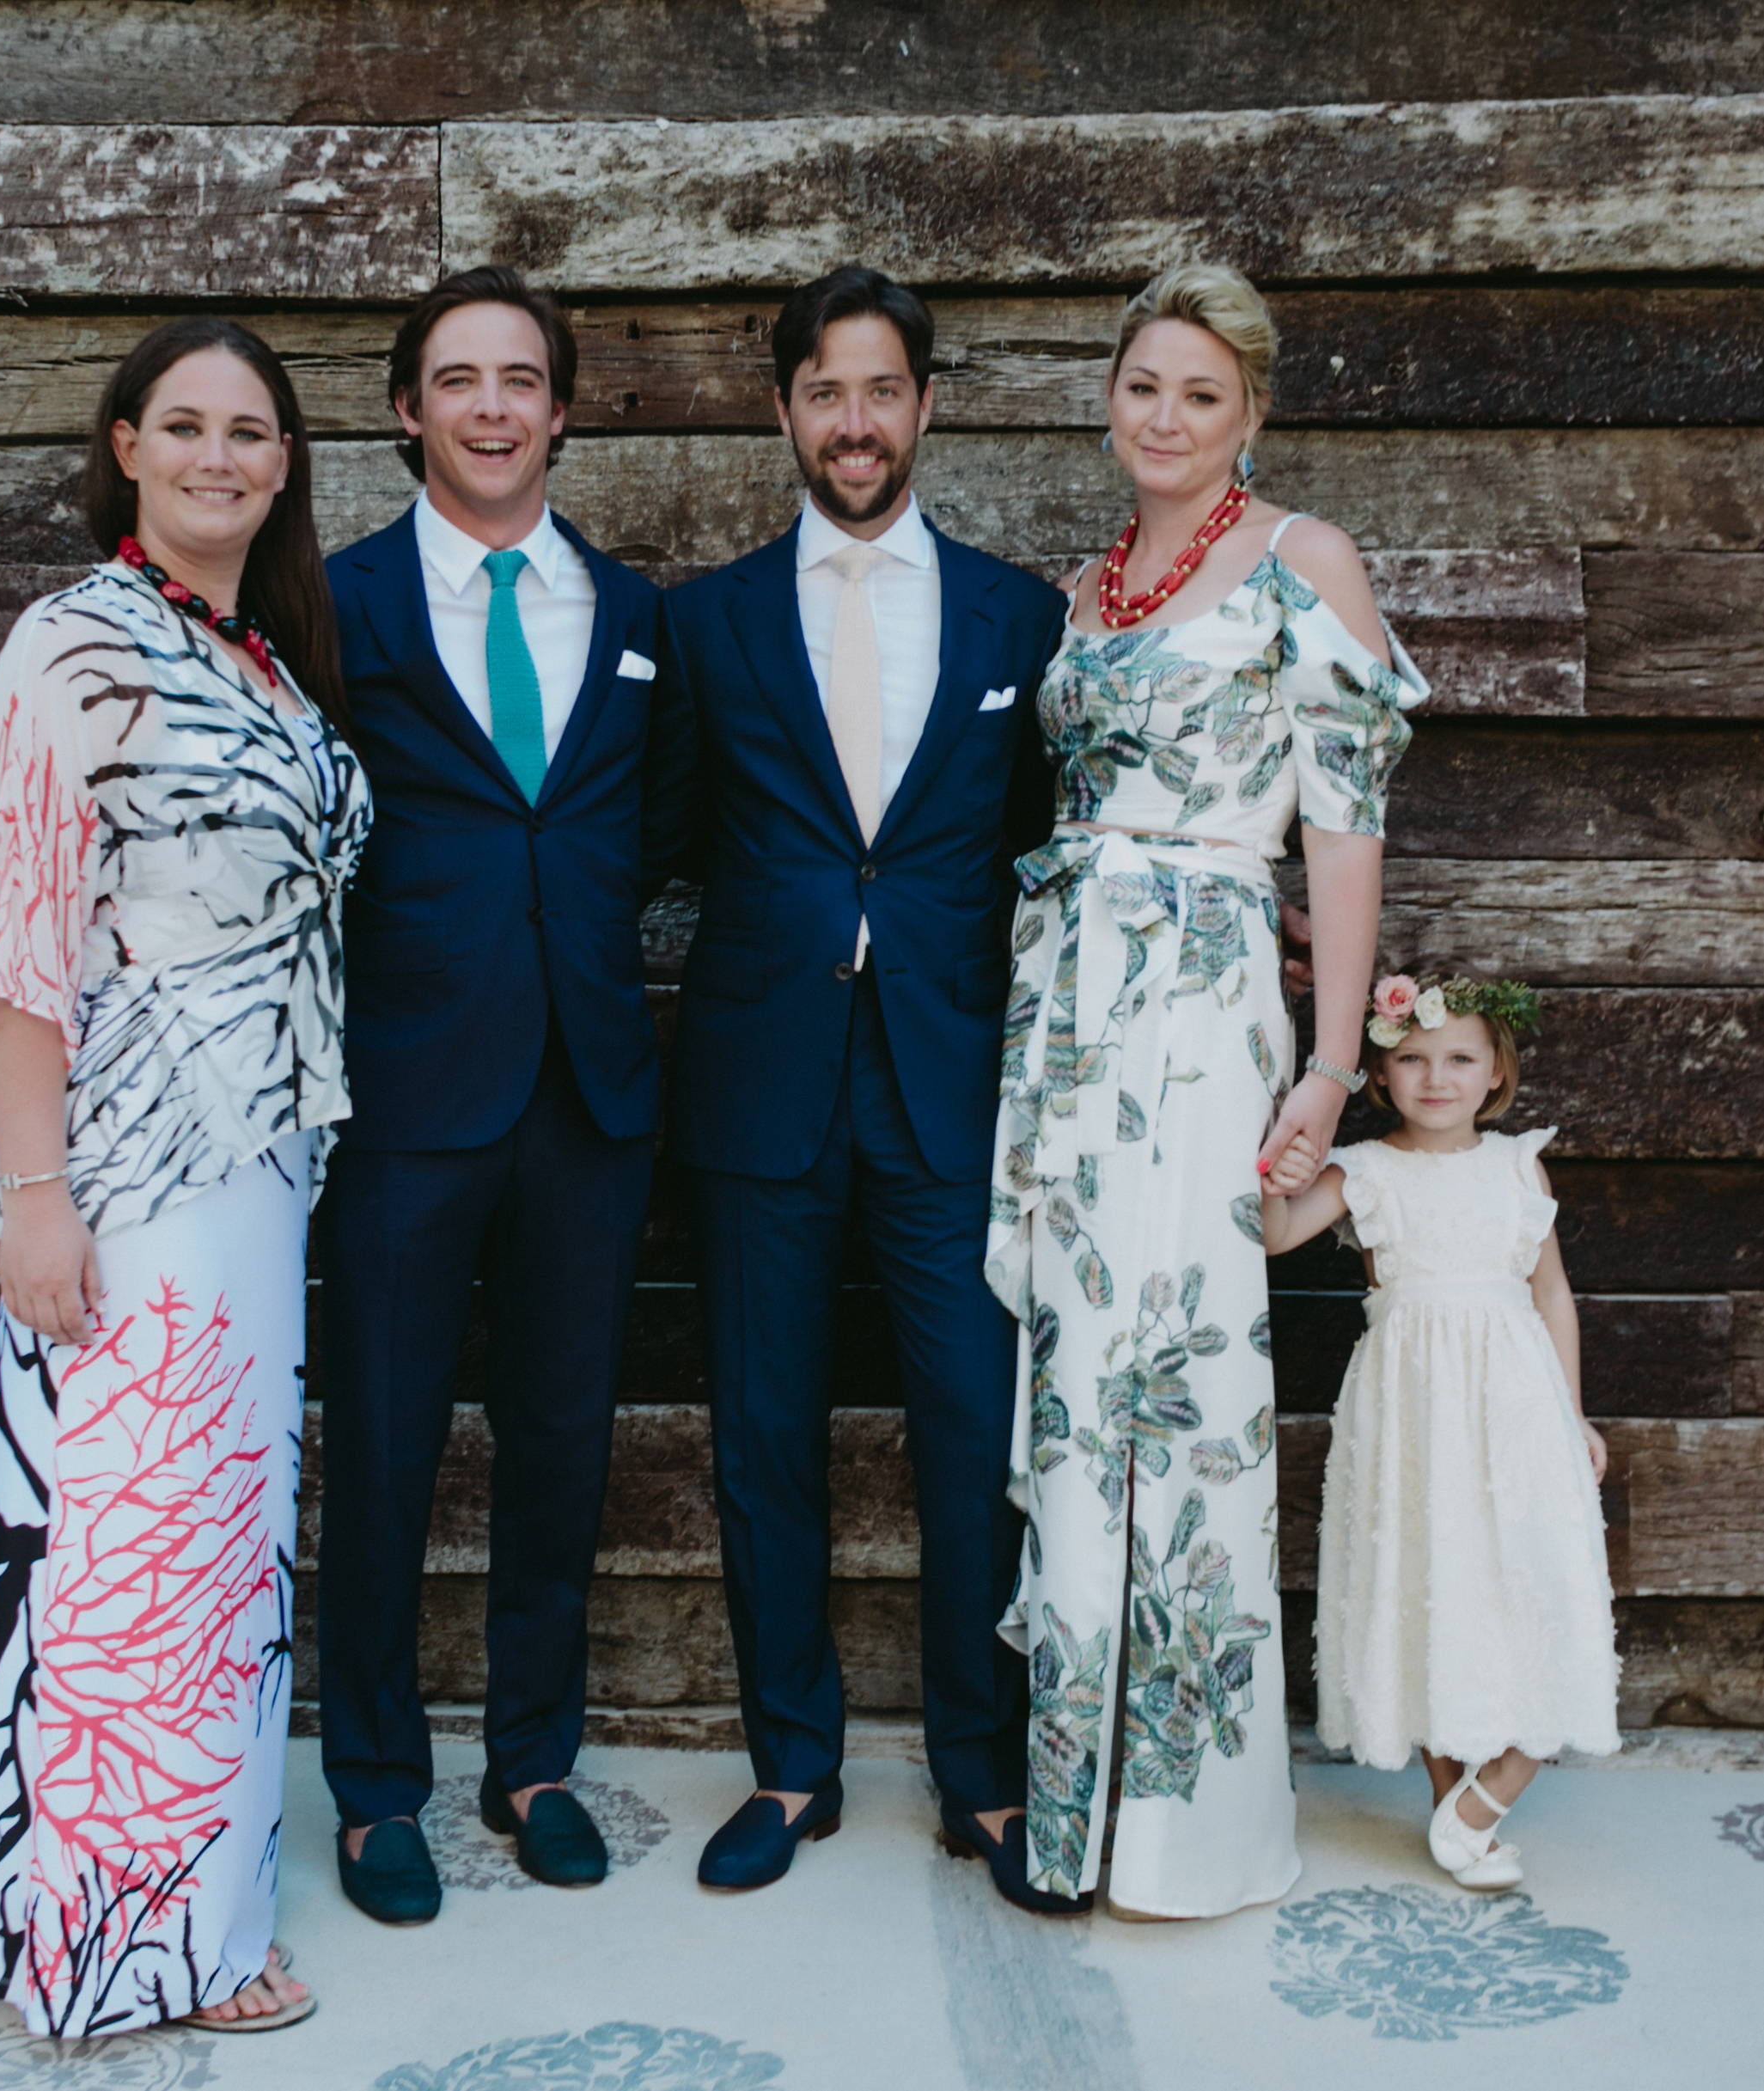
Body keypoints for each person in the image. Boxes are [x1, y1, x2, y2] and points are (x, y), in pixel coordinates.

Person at [985, 261, 1428, 1919]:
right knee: (1075, 1386)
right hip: (1069, 1015)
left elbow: (1344, 820)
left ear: (1247, 413)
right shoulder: (1087, 589)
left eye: (1196, 393)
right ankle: (1068, 1807)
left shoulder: (1300, 562)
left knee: (1170, 1390)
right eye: (1139, 386)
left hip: (1195, 1006)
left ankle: (1182, 1823)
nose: (1160, 417)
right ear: (1109, 398)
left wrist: (1323, 1067)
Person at [0, 318, 370, 2036]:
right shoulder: (71, 645)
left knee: (217, 1543)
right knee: (134, 1546)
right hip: (130, 1168)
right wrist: (30, 1195)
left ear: (283, 464)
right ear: (124, 444)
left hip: (259, 1168)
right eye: (182, 424)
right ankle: (118, 1952)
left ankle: (192, 1914)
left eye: (248, 431)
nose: (218, 454)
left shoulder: (267, 657)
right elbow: (17, 948)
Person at [666, 266, 1076, 1911]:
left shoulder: (1014, 617)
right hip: (759, 1085)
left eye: (881, 388)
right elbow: (666, 840)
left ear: (923, 404)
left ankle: (979, 1773)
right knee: (762, 1431)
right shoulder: (701, 622)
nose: (854, 420)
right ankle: (791, 1761)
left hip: (949, 1083)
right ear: (785, 409)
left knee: (972, 1428)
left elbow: (1041, 840)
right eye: (824, 391)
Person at [318, 266, 697, 1922]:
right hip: (403, 1093)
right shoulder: (331, 608)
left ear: (559, 408)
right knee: (386, 1445)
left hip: (586, 1094)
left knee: (559, 1440)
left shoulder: (632, 620)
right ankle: (375, 1785)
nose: (488, 407)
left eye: (518, 380)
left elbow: (655, 832)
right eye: (455, 379)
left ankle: (532, 1758)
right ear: (408, 408)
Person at [1262, 973, 1620, 1888]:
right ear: (1380, 1073)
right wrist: (1279, 1175)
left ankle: (1489, 1793)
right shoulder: (1368, 1168)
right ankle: (1450, 1806)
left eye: (1459, 1059)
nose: (1435, 1078)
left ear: (1495, 1073)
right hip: (1412, 1408)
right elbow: (1277, 1234)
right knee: (1428, 1573)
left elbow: (1551, 1292)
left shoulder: (1515, 1165)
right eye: (1412, 1059)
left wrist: (1571, 1410)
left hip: (1514, 1405)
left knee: (1529, 1579)